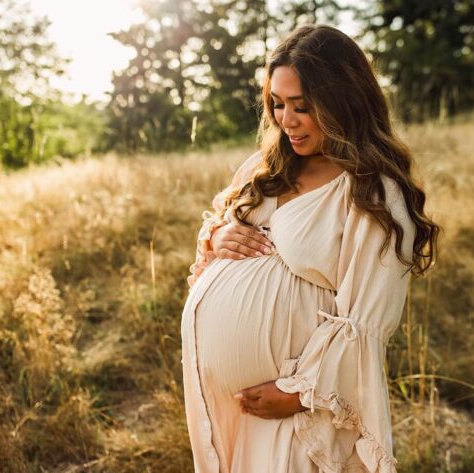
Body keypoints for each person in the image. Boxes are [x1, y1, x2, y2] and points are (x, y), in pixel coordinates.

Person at [181, 25, 440, 472]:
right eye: (277, 104)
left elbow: (365, 322)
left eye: (303, 107)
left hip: (301, 411)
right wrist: (218, 238)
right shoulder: (265, 168)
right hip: (231, 402)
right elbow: (219, 231)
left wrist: (298, 393)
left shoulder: (374, 194)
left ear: (344, 102)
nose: (286, 120)